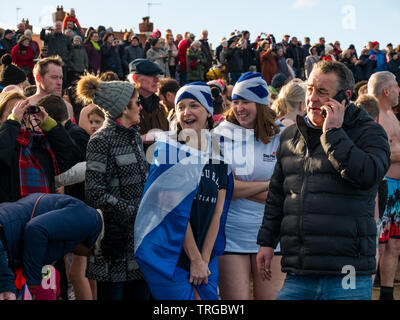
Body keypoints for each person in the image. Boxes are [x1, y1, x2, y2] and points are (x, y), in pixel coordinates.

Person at [256, 60, 391, 300]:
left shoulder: (370, 132)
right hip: (300, 271)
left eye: (322, 92)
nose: (312, 98)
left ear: (345, 96)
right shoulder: (290, 136)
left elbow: (368, 175)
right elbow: (278, 195)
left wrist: (334, 133)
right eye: (310, 89)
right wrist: (267, 241)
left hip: (349, 272)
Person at [134, 82, 231, 300]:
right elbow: (173, 211)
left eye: (194, 105)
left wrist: (204, 259)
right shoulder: (169, 152)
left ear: (208, 113)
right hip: (170, 255)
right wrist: (195, 260)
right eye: (180, 107)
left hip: (205, 255)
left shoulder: (218, 155)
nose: (186, 112)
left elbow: (217, 212)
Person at [77, 74, 150, 300]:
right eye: (136, 102)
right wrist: (135, 211)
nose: (140, 106)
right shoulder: (100, 140)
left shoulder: (135, 136)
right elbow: (95, 193)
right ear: (123, 108)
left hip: (140, 241)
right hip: (115, 246)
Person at [213, 72, 283, 300]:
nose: (240, 108)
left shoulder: (280, 137)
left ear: (261, 104)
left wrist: (238, 188)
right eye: (235, 102)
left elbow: (286, 192)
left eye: (246, 101)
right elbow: (221, 187)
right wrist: (269, 185)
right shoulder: (219, 136)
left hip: (272, 237)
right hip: (231, 235)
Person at [0, 193, 103, 300]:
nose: (80, 254)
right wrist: (32, 280)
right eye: (90, 253)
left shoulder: (75, 219)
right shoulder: (88, 218)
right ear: (94, 246)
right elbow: (36, 229)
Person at [0, 90, 78, 204]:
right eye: (15, 111)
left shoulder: (38, 143)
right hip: (10, 216)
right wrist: (13, 121)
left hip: (42, 214)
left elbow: (71, 156)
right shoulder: (6, 142)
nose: (21, 115)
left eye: (24, 111)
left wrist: (49, 124)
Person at [368, 71, 400, 300]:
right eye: (396, 86)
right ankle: (363, 293)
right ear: (386, 91)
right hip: (382, 187)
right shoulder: (372, 115)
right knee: (376, 246)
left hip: (396, 188)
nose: (399, 90)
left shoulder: (391, 114)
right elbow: (376, 154)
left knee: (394, 245)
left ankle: (387, 294)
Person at [128, 59, 169, 150]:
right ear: (135, 78)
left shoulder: (160, 107)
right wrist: (142, 138)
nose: (157, 80)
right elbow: (115, 142)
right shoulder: (125, 108)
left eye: (157, 76)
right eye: (151, 76)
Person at [28, 56, 74, 121]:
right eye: (54, 77)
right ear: (39, 78)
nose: (59, 83)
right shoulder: (26, 106)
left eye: (61, 78)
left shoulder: (67, 107)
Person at [40, 21, 72, 88]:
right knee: (52, 78)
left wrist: (67, 58)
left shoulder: (66, 38)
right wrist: (43, 29)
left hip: (63, 62)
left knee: (63, 80)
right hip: (52, 62)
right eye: (57, 26)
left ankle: (61, 95)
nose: (58, 27)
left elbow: (71, 50)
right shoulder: (50, 36)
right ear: (54, 27)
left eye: (59, 26)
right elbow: (42, 37)